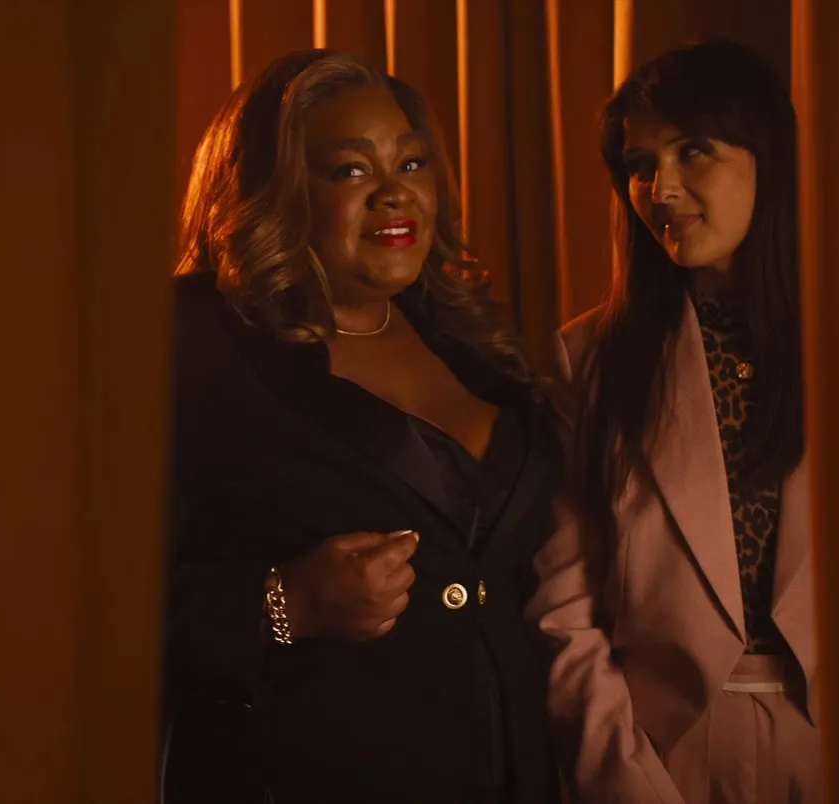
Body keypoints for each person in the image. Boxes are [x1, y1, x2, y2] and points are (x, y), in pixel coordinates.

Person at [163, 49, 560, 803]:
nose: (394, 192)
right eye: (350, 170)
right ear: (276, 191)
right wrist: (288, 604)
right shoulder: (193, 341)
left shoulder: (471, 337)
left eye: (411, 164)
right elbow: (90, 609)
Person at [528, 39, 823, 804]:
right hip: (663, 754)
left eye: (694, 151)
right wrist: (628, 781)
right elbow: (566, 612)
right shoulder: (591, 359)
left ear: (767, 157)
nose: (660, 189)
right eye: (639, 164)